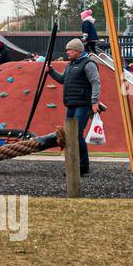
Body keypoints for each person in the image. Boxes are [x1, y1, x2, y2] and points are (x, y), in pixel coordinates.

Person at [46, 38, 105, 176]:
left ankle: (83, 166)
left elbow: (96, 82)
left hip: (83, 104)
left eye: (70, 50)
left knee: (77, 134)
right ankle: (74, 165)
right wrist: (51, 71)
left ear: (78, 50)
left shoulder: (88, 64)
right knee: (69, 135)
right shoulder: (70, 65)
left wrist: (94, 101)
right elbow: (63, 80)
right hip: (71, 104)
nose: (67, 52)